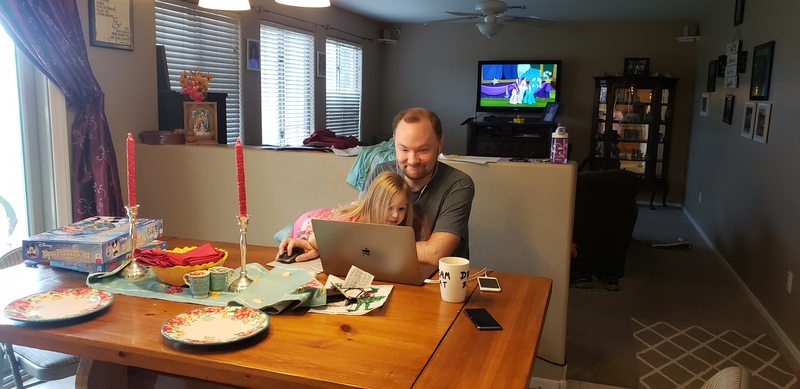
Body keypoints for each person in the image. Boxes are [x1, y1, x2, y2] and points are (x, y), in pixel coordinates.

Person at [363, 107, 475, 266]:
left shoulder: (458, 185)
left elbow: (435, 253)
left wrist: (372, 246)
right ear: (394, 142)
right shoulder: (381, 173)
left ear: (440, 143)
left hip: (436, 281)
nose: (412, 160)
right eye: (404, 149)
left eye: (423, 150)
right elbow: (359, 231)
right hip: (385, 270)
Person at [275, 172, 414, 263]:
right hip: (307, 226)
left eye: (401, 209)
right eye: (388, 207)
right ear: (373, 204)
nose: (395, 215)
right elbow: (314, 239)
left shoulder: (390, 225)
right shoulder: (353, 225)